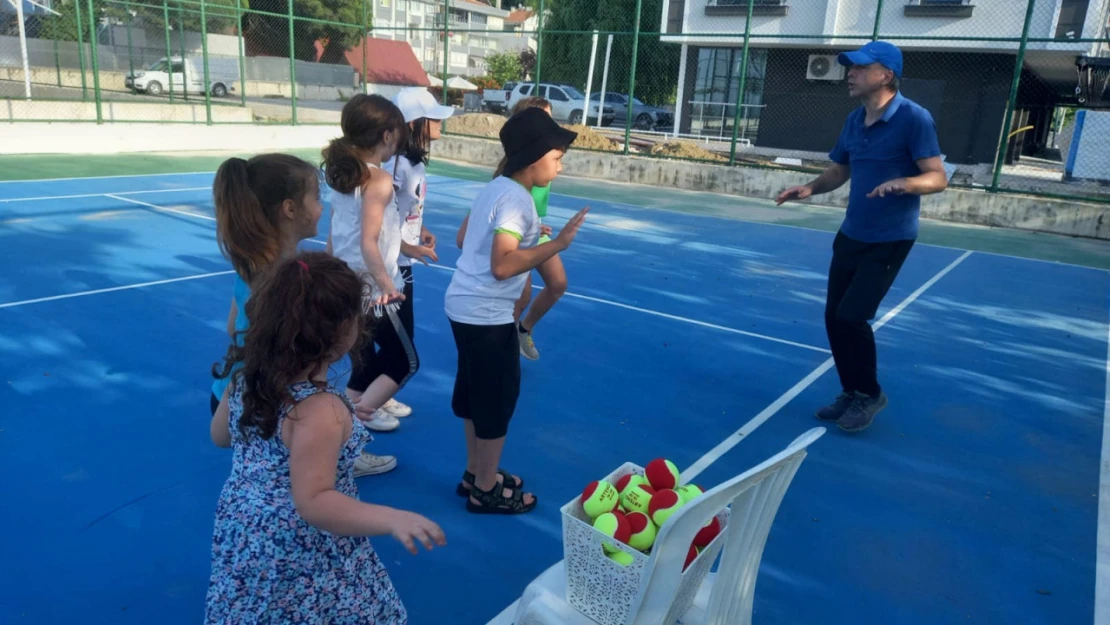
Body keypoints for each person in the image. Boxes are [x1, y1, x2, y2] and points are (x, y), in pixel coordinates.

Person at [206, 251, 445, 624]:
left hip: (248, 530)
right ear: (345, 331)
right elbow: (314, 501)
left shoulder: (244, 378)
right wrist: (390, 518)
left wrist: (340, 419)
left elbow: (221, 436)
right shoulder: (321, 410)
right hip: (300, 544)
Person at [775, 41, 947, 433]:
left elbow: (938, 177)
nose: (849, 73)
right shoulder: (855, 120)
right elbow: (839, 171)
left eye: (858, 67)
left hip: (890, 238)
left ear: (885, 74)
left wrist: (906, 182)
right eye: (848, 67)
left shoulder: (914, 119)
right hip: (852, 233)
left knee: (853, 316)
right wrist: (810, 188)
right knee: (834, 318)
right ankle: (850, 391)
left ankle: (870, 394)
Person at [446, 107, 589, 514]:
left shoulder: (496, 189)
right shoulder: (517, 201)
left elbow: (472, 241)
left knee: (475, 394)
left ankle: (476, 473)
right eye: (557, 158)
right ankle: (485, 490)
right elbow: (504, 264)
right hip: (486, 315)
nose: (560, 167)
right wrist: (558, 244)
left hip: (464, 306)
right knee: (496, 398)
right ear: (533, 157)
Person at [323, 95, 417, 444]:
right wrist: (387, 285)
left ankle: (346, 423)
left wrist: (411, 248)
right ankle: (349, 427)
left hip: (350, 281)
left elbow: (339, 230)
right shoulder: (376, 179)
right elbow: (368, 240)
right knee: (405, 361)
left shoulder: (345, 174)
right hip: (372, 287)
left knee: (364, 359)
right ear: (388, 135)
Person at [209, 153, 324, 416]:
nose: (321, 207)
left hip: (229, 393)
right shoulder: (296, 279)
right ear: (290, 209)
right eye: (316, 198)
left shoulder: (249, 265)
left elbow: (233, 327)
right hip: (265, 401)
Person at [456, 96, 568, 360]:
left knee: (558, 284)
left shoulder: (545, 165)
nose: (549, 125)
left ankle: (522, 330)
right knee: (521, 290)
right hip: (511, 242)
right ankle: (502, 343)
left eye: (549, 118)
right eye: (542, 119)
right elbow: (490, 218)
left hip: (528, 231)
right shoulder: (510, 177)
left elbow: (522, 213)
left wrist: (534, 227)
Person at [379, 87, 455, 418]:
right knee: (398, 344)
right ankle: (365, 400)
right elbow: (379, 216)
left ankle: (377, 393)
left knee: (399, 337)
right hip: (387, 266)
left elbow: (403, 208)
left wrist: (419, 229)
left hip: (402, 262)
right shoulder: (395, 165)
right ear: (415, 122)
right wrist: (407, 245)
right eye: (434, 115)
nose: (441, 120)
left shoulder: (414, 162)